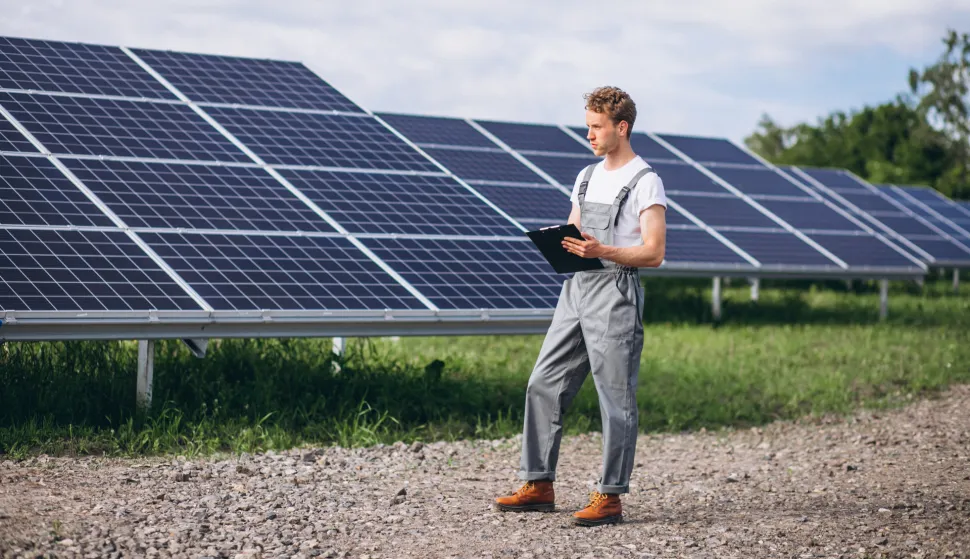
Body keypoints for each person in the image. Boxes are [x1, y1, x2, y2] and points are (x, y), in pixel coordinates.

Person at [494, 86, 667, 527]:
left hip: (616, 292)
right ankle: (538, 483)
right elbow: (575, 233)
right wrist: (559, 243)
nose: (588, 134)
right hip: (576, 289)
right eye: (587, 126)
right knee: (543, 382)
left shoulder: (646, 181)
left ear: (621, 127)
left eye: (596, 127)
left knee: (615, 396)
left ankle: (610, 495)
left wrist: (602, 251)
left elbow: (654, 252)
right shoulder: (586, 175)